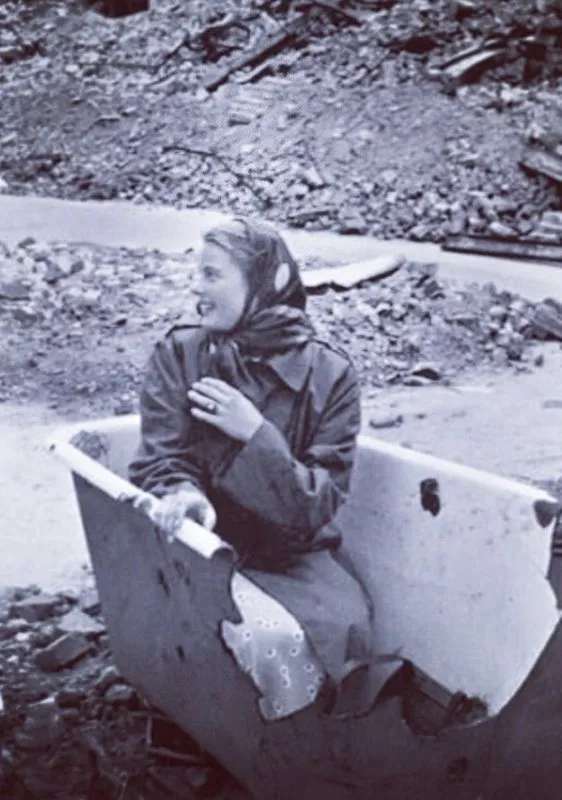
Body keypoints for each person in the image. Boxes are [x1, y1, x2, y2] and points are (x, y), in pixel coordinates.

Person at [128, 218, 395, 720]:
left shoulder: (332, 375)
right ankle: (229, 739)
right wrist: (184, 492)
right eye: (197, 273)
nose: (195, 287)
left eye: (212, 275)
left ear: (264, 284)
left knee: (350, 635)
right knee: (264, 644)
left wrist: (254, 433)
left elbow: (317, 504)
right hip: (203, 550)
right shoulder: (179, 354)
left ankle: (315, 754)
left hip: (293, 553)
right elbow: (163, 454)